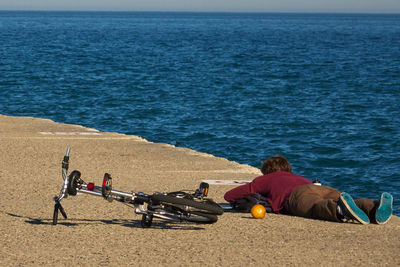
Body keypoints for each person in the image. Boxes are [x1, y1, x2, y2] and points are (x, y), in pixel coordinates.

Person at [224, 155, 393, 224]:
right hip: (316, 186)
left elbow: (230, 195)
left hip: (296, 196)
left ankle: (340, 210)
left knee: (314, 207)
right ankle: (373, 206)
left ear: (267, 171)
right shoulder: (298, 176)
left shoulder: (266, 178)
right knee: (346, 201)